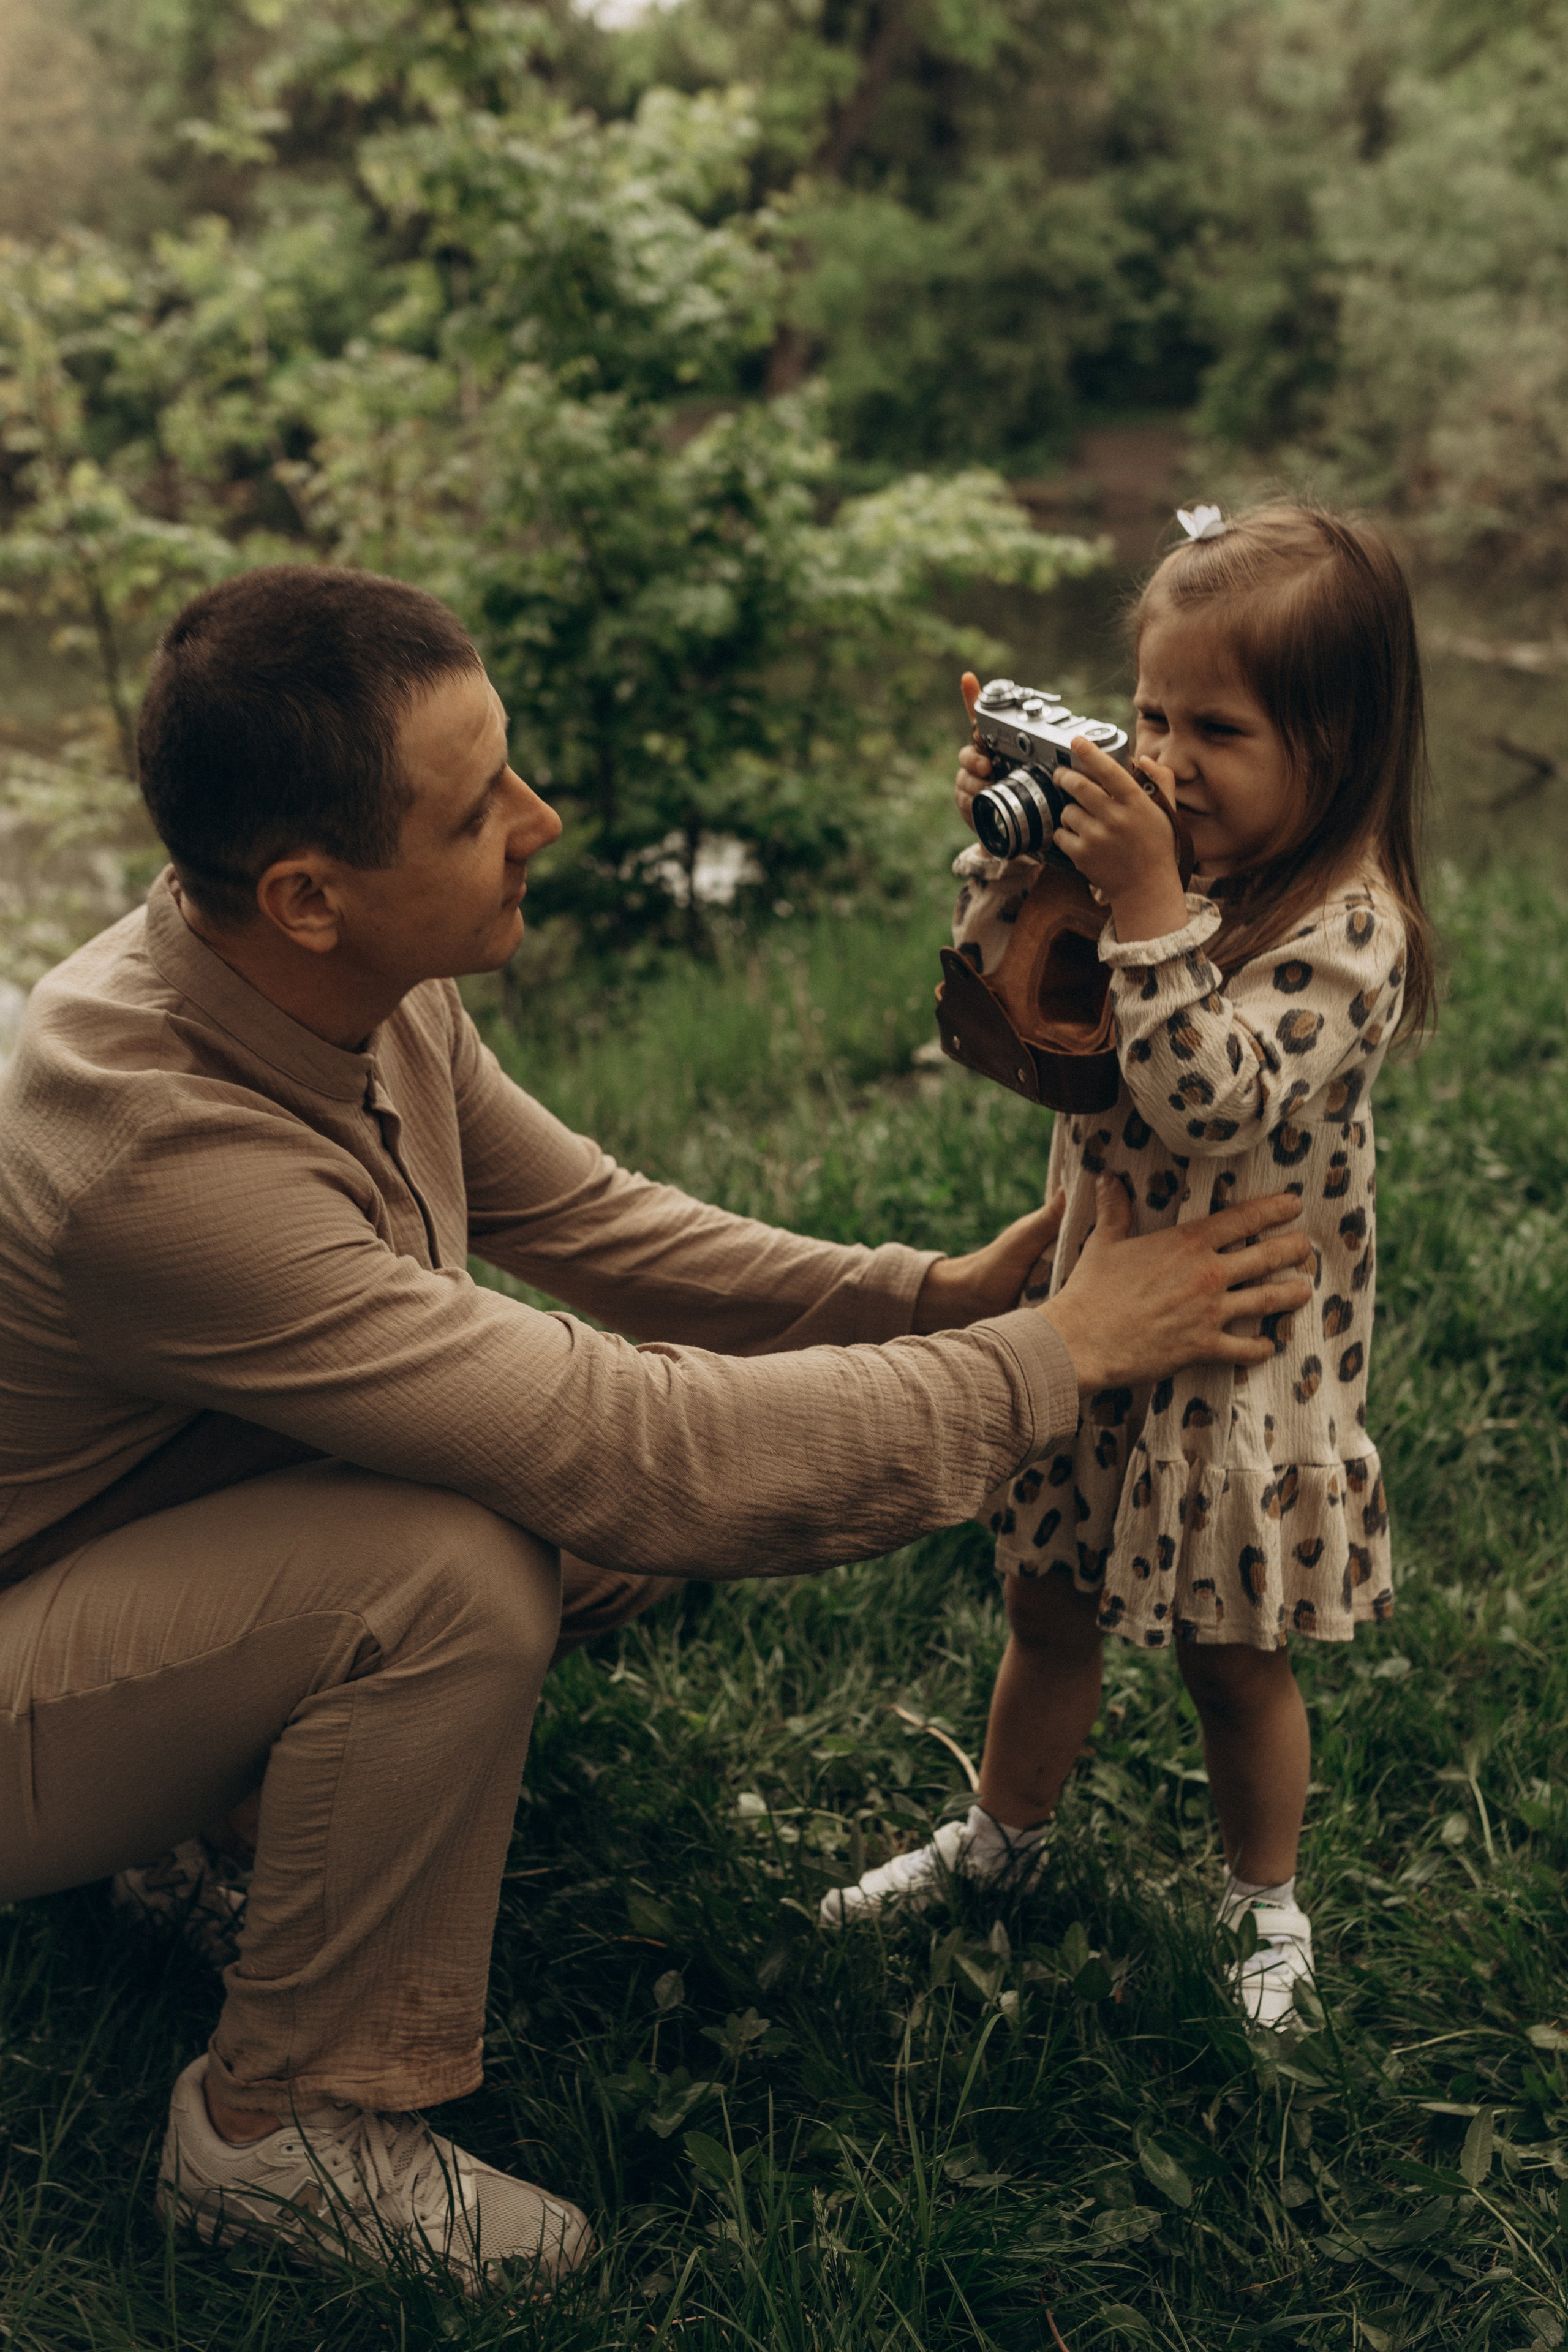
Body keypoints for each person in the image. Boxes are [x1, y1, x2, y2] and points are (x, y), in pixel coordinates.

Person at [0, 565, 1314, 2294]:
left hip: (109, 1548)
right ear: (309, 893)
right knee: (458, 1564)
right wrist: (1060, 1354)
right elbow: (638, 1448)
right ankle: (278, 2129)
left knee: (562, 1535)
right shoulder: (155, 1160)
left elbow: (600, 1229)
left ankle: (213, 1820)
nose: (538, 821)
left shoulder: (335, 978)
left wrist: (926, 1295)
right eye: (480, 811)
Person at [824, 502, 1433, 2030]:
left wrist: (1150, 904)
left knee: (1232, 1658)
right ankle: (1000, 1843)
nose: (1162, 761)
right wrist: (1017, 855)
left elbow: (1204, 1096)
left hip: (1237, 1352)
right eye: (1147, 715)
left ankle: (1264, 1909)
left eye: (1214, 728)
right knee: (1045, 1603)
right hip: (1090, 1321)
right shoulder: (1165, 861)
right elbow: (1035, 1026)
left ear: (1340, 742)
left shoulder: (1349, 928)